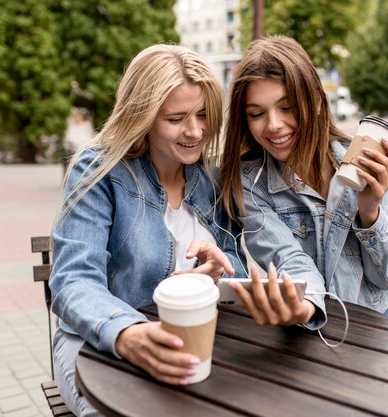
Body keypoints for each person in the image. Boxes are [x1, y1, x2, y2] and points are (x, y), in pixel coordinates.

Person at [50, 44, 247, 417]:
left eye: (203, 115)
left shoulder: (210, 178)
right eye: (176, 119)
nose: (195, 131)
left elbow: (236, 261)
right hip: (96, 343)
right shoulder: (101, 171)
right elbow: (73, 279)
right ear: (143, 115)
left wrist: (221, 274)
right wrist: (127, 333)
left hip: (188, 338)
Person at [220, 35, 388, 330]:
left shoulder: (367, 159)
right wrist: (306, 305)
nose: (273, 125)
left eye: (286, 108)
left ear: (317, 102)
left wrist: (370, 212)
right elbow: (289, 258)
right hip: (310, 325)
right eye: (257, 113)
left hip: (378, 320)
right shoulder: (250, 183)